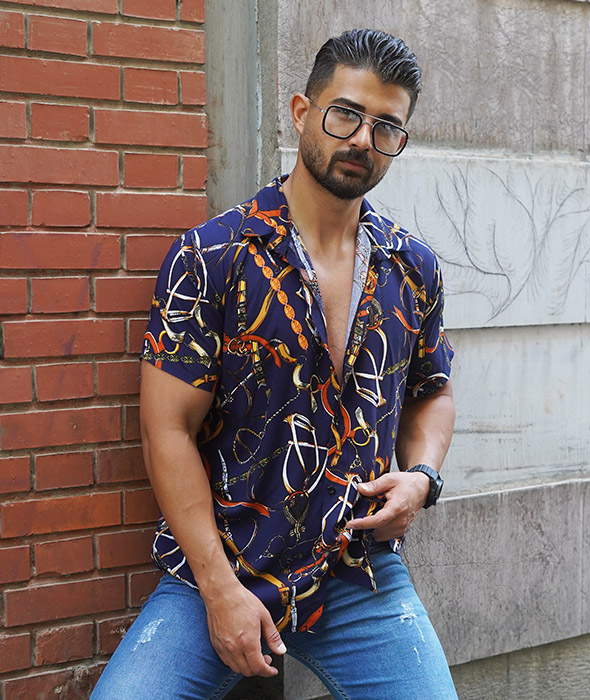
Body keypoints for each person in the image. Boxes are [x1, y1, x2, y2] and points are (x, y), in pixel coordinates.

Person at [91, 28, 457, 700]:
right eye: (345, 114)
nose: (362, 140)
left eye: (386, 127)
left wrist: (423, 477)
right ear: (300, 111)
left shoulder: (413, 267)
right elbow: (167, 429)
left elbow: (433, 390)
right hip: (223, 565)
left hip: (358, 573)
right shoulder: (212, 256)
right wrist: (217, 590)